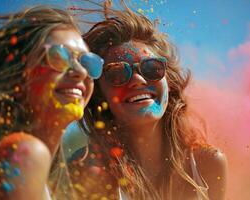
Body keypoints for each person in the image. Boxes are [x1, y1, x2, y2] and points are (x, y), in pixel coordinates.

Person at [67, 3, 227, 200]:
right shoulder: (87, 169)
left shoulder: (208, 163)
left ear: (169, 81)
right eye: (117, 73)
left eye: (152, 68)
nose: (138, 80)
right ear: (100, 95)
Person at [0, 6, 103, 200]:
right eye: (58, 56)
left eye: (87, 62)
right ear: (18, 75)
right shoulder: (23, 153)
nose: (81, 71)